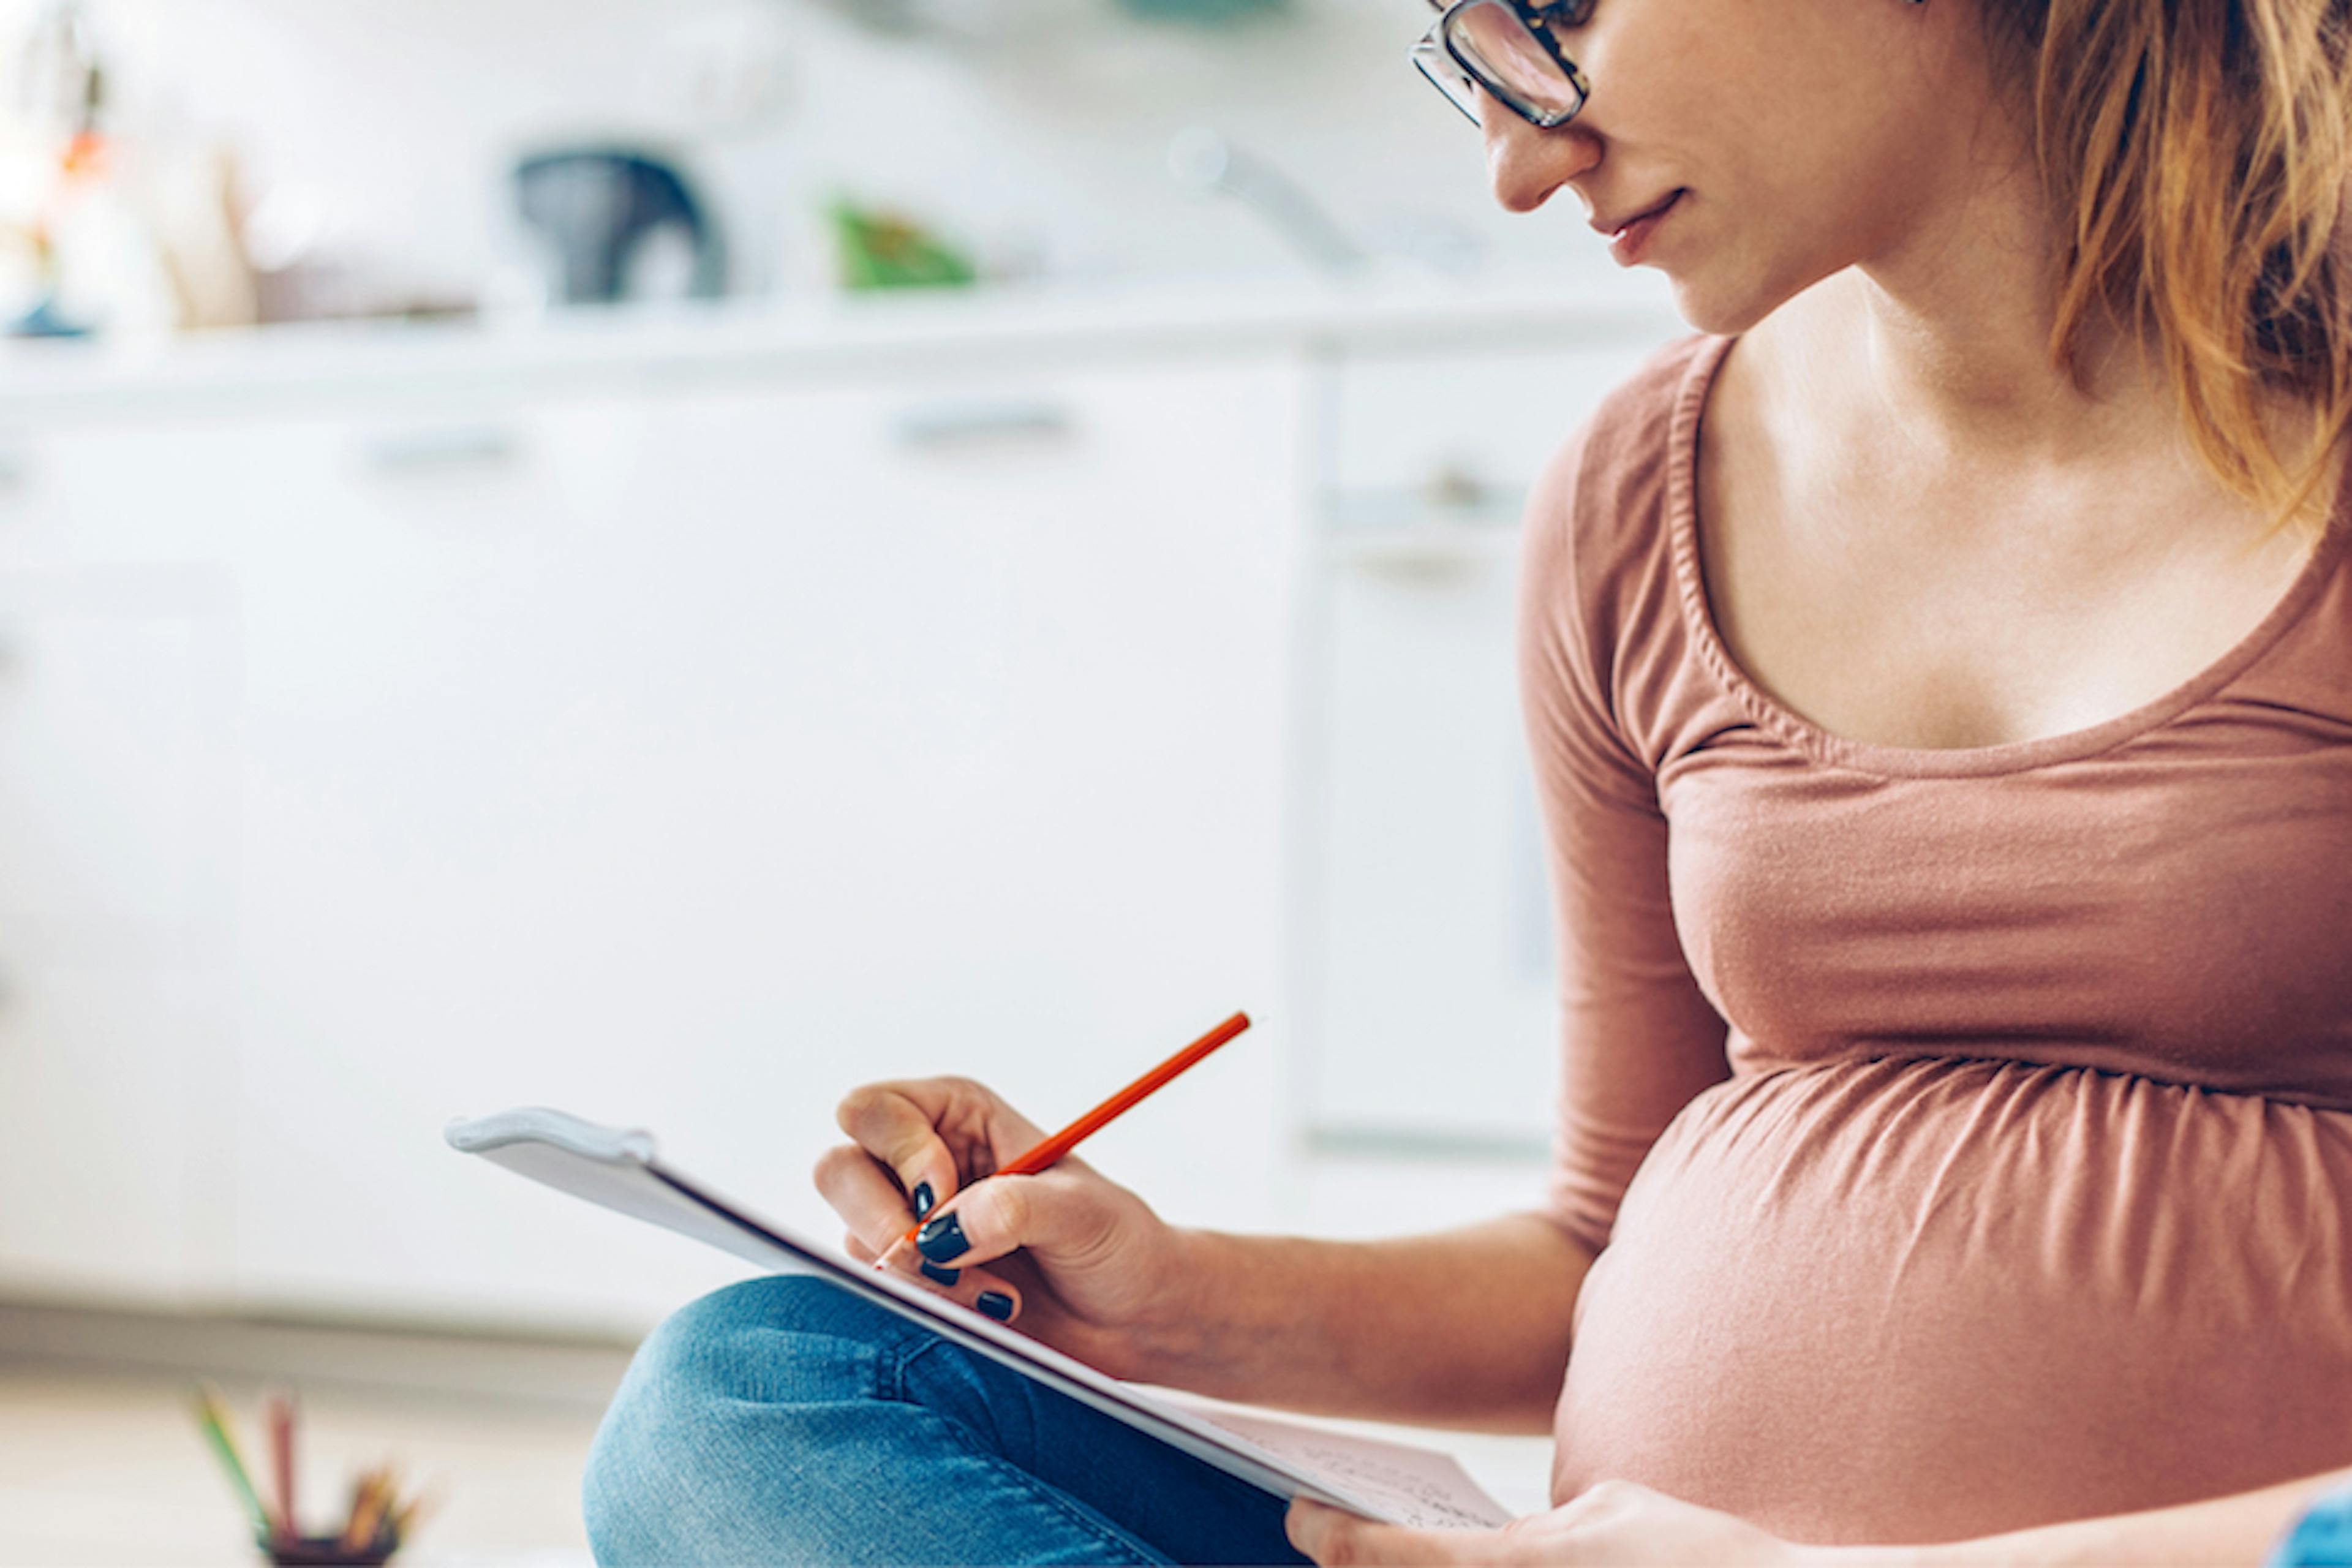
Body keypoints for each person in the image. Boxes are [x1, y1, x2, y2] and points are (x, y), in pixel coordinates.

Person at [581, 0, 2352, 1560]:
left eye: (1555, 10)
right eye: (1467, 59)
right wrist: (1164, 1295)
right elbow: (1605, 1245)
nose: (1519, 163)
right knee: (750, 1398)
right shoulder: (1641, 496)